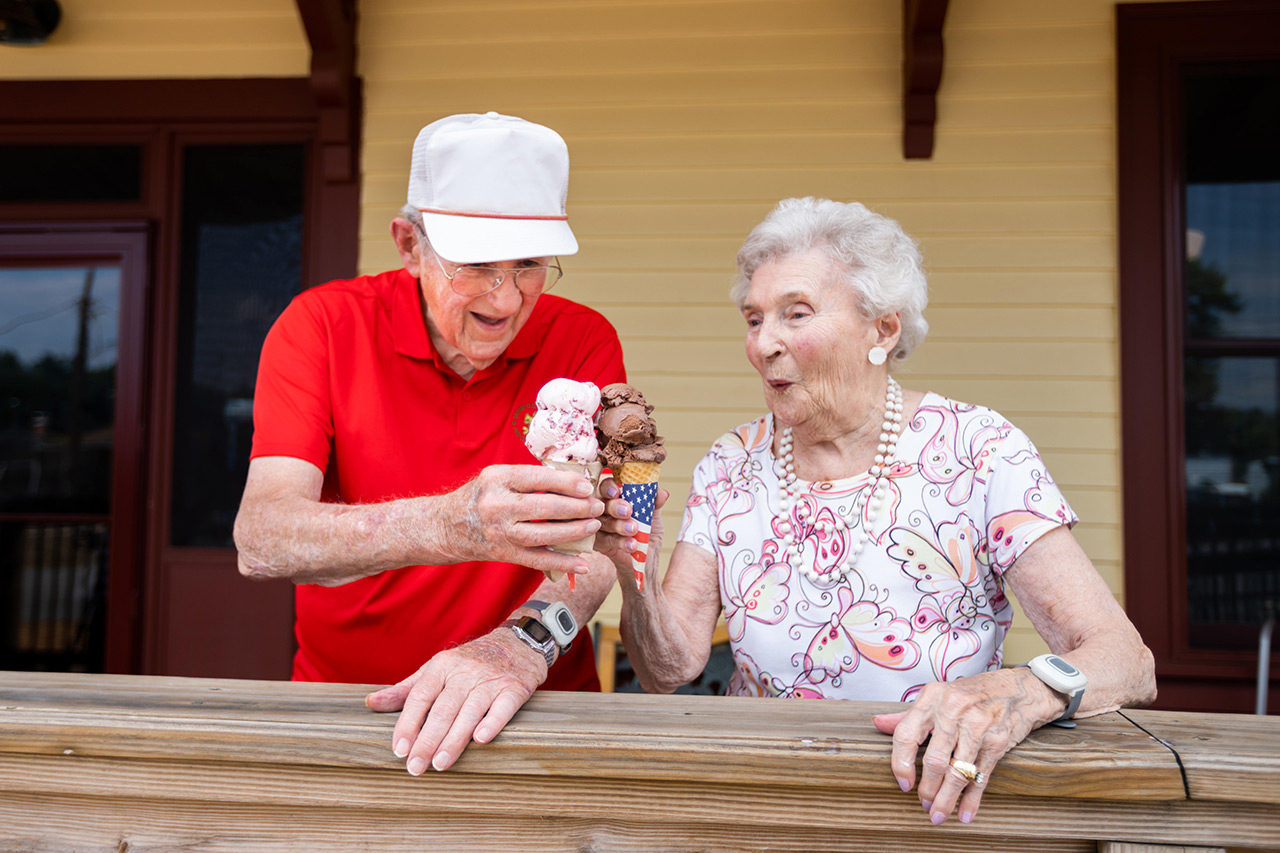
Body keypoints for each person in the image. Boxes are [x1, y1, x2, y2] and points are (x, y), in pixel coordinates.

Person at [595, 197, 1156, 826]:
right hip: (766, 803)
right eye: (754, 319)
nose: (763, 343)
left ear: (883, 330)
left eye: (795, 314)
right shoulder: (732, 463)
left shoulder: (979, 451)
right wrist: (633, 567)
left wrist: (1015, 693)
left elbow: (1125, 660)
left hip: (931, 802)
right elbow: (668, 670)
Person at [233, 112, 626, 775]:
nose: (506, 298)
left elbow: (606, 539)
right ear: (408, 242)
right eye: (476, 265)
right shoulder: (321, 327)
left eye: (529, 263)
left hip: (533, 707)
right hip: (350, 712)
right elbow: (262, 537)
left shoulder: (582, 339)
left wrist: (519, 644)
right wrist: (453, 523)